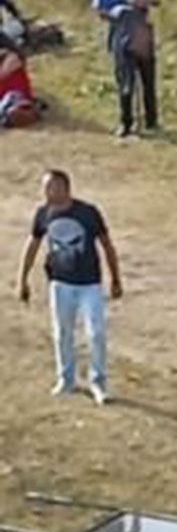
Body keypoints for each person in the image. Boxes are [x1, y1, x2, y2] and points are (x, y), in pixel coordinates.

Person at [17, 170, 121, 404]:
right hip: (60, 282)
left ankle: (99, 382)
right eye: (44, 188)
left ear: (65, 188)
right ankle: (66, 378)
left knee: (96, 333)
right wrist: (22, 278)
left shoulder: (87, 213)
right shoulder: (43, 215)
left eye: (50, 187)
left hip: (89, 283)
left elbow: (107, 245)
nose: (46, 193)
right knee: (62, 333)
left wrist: (115, 278)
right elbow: (32, 245)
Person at [92, 0, 158, 138]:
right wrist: (116, 12)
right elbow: (99, 10)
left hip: (141, 32)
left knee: (148, 78)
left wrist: (145, 0)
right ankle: (126, 122)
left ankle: (151, 120)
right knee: (125, 80)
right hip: (120, 33)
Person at [0, 33, 36, 127]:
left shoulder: (11, 56)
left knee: (11, 99)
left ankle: (9, 113)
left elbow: (14, 60)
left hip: (13, 93)